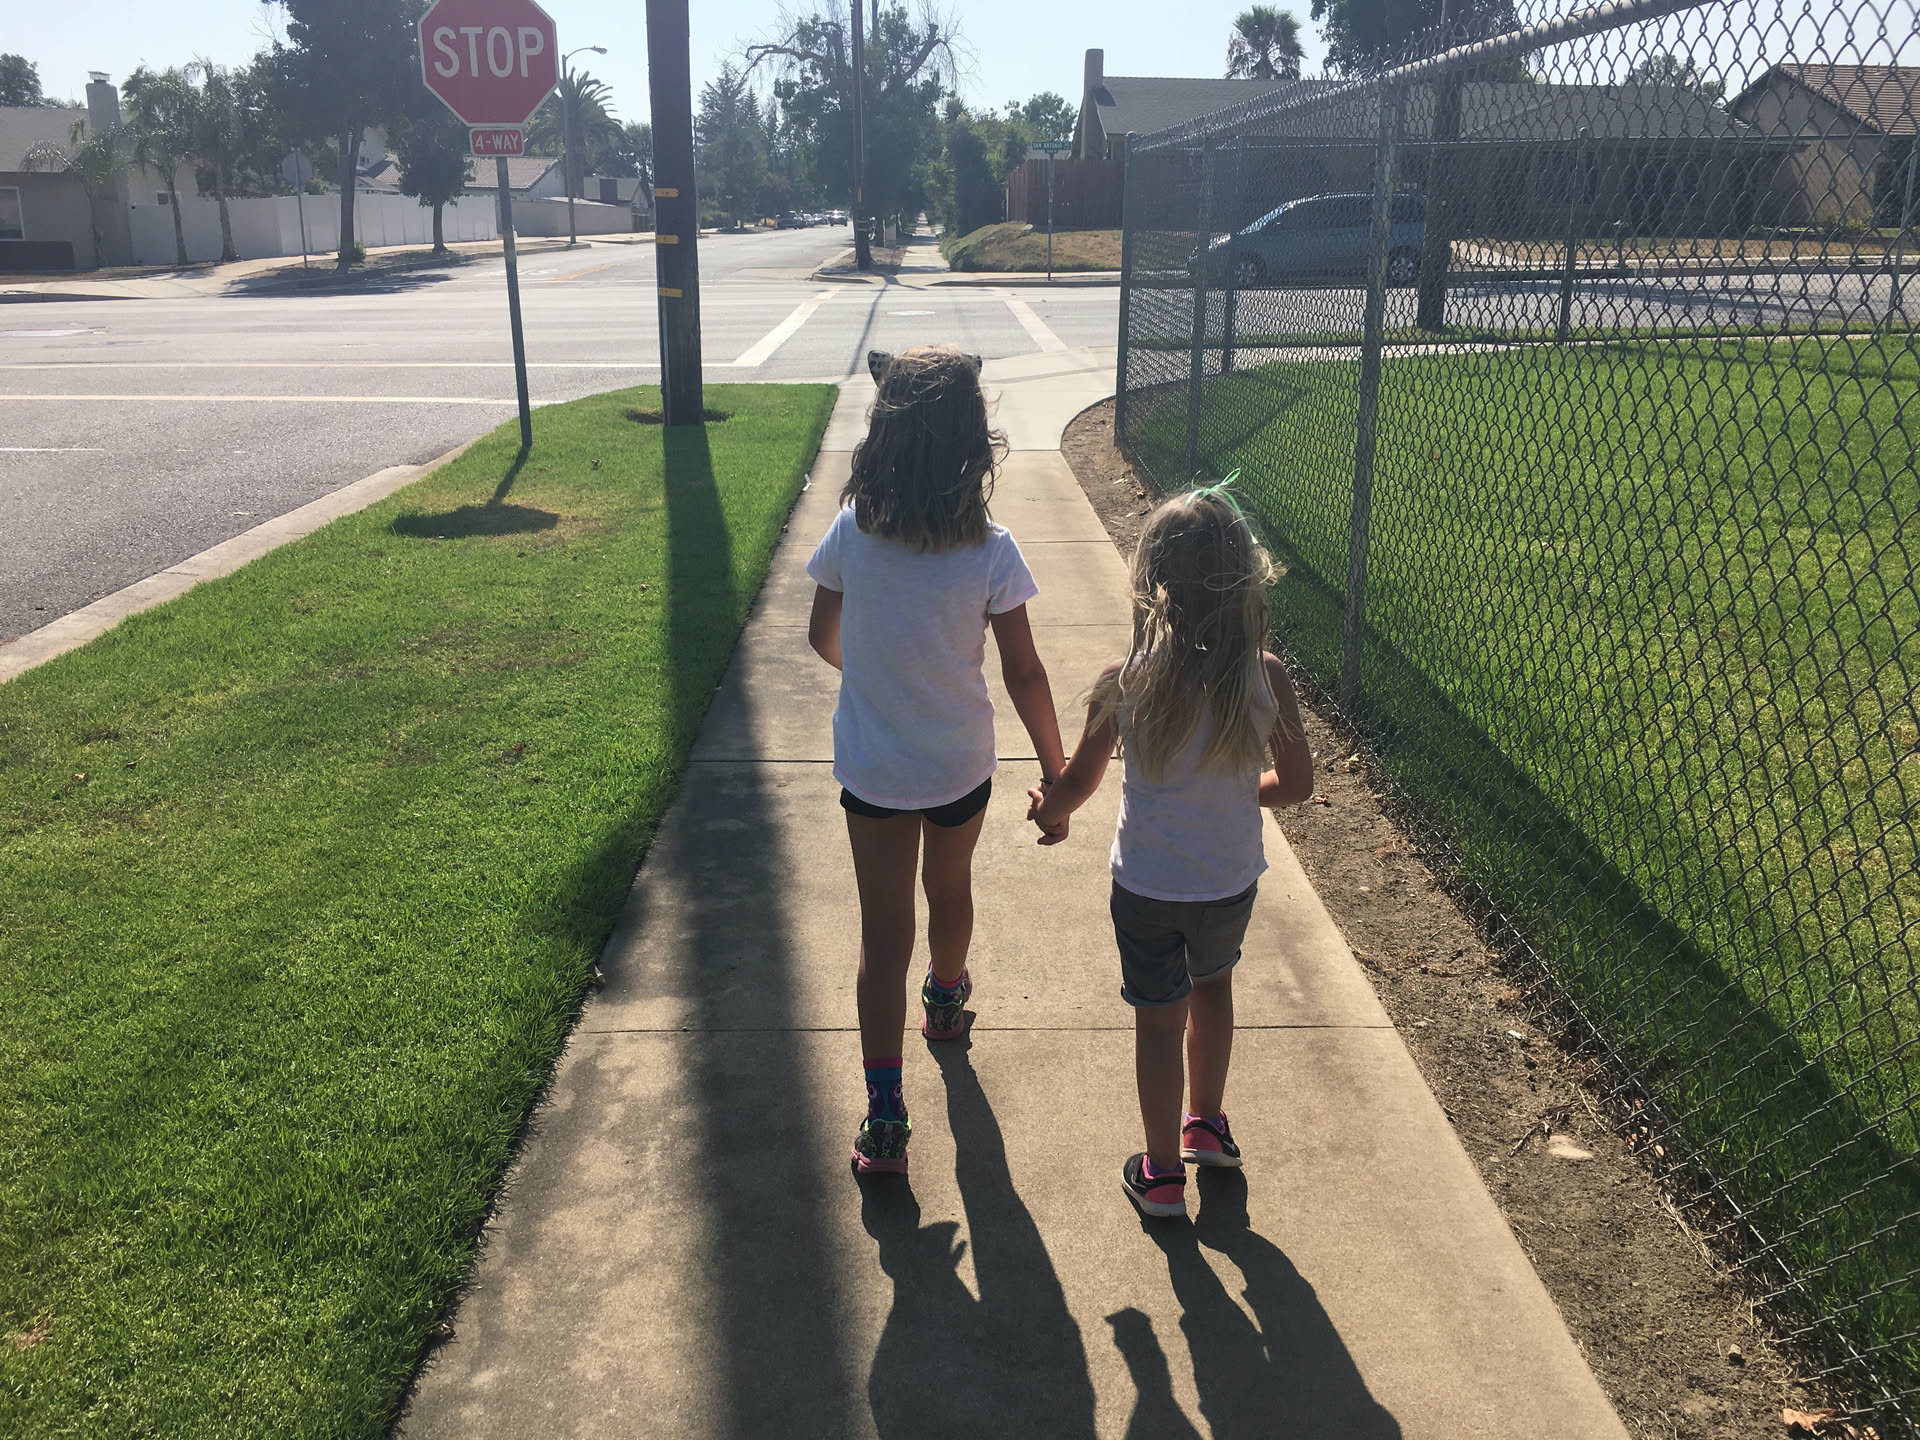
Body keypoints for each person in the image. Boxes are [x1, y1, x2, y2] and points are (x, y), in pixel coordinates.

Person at [807, 346, 1069, 1177]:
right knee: (949, 890)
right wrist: (1058, 772)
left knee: (882, 934)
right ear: (972, 443)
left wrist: (879, 677)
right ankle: (947, 998)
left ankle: (885, 1115)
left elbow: (821, 635)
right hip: (959, 765)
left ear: (882, 436)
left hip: (874, 771)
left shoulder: (852, 532)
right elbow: (1025, 671)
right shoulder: (991, 549)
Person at [1025, 482, 1314, 1219]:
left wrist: (1048, 812)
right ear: (1244, 581)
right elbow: (1296, 785)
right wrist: (1236, 796)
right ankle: (1205, 1125)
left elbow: (1078, 783)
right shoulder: (1265, 676)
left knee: (1157, 1021)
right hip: (1227, 882)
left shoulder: (1125, 681)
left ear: (1149, 583)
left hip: (1147, 888)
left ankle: (1159, 1175)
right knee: (1212, 989)